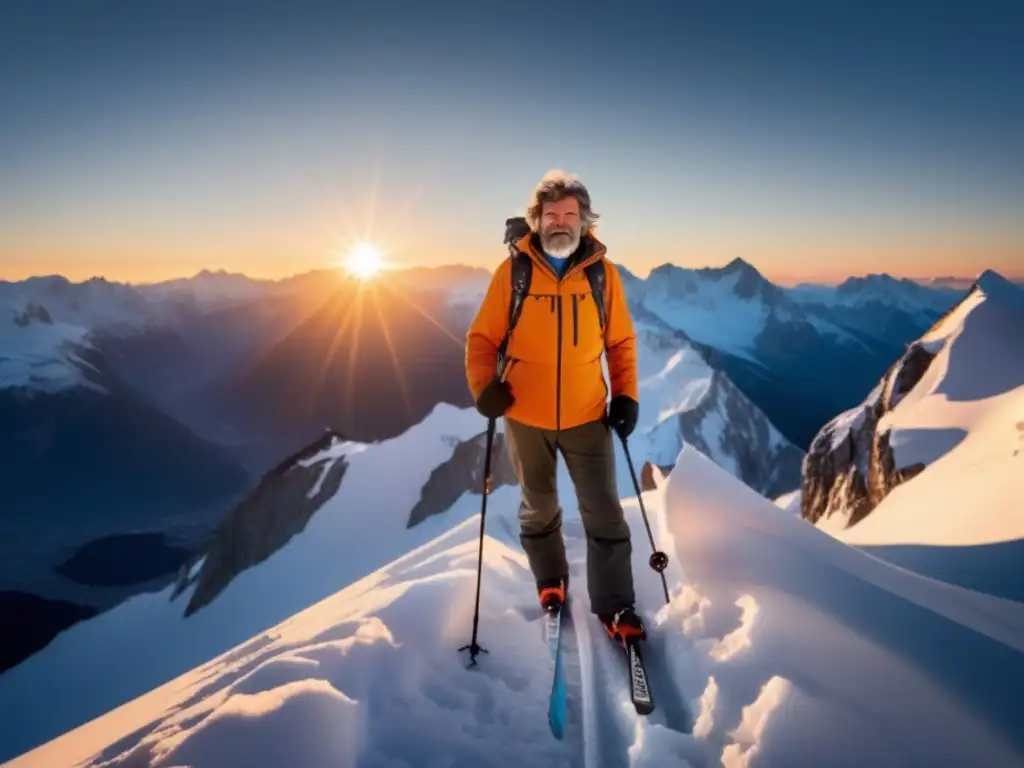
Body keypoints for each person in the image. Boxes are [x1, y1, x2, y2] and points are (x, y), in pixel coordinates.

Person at [464, 169, 645, 644]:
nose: (559, 222)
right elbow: (482, 338)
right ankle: (551, 582)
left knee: (604, 513)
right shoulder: (515, 272)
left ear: (585, 221)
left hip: (588, 414)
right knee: (538, 507)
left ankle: (615, 605)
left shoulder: (602, 275)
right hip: (525, 416)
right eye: (551, 215)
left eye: (569, 214)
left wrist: (626, 395)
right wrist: (484, 388)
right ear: (537, 220)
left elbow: (621, 342)